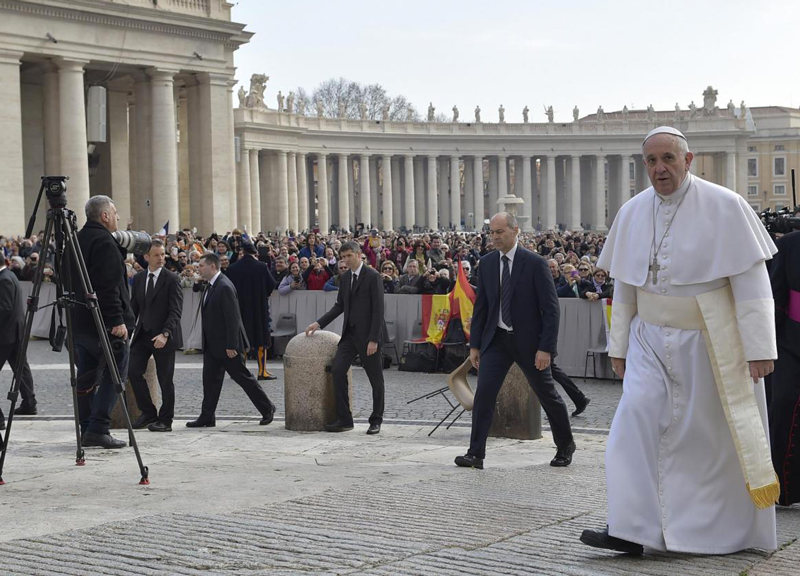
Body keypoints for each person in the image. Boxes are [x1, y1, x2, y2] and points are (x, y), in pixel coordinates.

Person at [581, 126, 779, 555]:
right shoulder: (632, 212)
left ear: (688, 160)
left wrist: (760, 348)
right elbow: (626, 285)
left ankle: (714, 531)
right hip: (648, 341)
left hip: (709, 343)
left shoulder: (727, 207)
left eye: (668, 158)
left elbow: (752, 284)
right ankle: (630, 527)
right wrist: (619, 348)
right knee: (632, 422)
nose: (659, 168)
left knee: (708, 442)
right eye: (651, 161)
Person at [454, 212, 575, 470]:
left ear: (515, 231)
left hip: (529, 343)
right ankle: (476, 453)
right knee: (484, 395)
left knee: (547, 395)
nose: (495, 237)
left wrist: (546, 348)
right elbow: (482, 307)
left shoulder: (534, 263)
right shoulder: (486, 264)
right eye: (492, 233)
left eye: (500, 232)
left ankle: (565, 445)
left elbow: (551, 309)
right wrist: (475, 345)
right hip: (496, 340)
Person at [72, 196, 135, 449]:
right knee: (114, 374)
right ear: (105, 216)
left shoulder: (74, 240)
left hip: (79, 322)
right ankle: (98, 428)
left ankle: (86, 427)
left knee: (85, 377)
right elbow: (108, 287)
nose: (118, 218)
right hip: (104, 325)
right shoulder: (103, 242)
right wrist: (117, 320)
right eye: (116, 213)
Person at [186, 253, 276, 428]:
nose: (199, 269)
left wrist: (231, 345)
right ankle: (207, 417)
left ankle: (267, 408)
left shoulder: (224, 286)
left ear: (212, 267)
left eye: (201, 266)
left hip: (226, 345)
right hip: (212, 344)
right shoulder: (211, 285)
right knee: (210, 381)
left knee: (243, 378)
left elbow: (232, 318)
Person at [305, 241, 384, 434]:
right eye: (343, 257)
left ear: (359, 255)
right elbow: (339, 306)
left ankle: (376, 420)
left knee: (375, 379)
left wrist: (373, 339)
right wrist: (318, 323)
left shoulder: (373, 276)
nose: (346, 260)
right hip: (349, 335)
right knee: (338, 371)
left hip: (368, 337)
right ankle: (345, 419)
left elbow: (378, 310)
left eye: (349, 256)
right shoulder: (345, 277)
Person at [128, 239, 183, 432]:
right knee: (132, 371)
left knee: (165, 379)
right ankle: (148, 413)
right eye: (157, 255)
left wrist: (165, 334)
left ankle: (166, 420)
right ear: (146, 257)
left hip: (164, 336)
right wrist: (124, 328)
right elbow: (134, 307)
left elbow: (175, 311)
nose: (161, 258)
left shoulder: (172, 279)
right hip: (143, 335)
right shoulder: (140, 278)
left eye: (163, 255)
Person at [768, 229, 800, 505]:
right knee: (783, 403)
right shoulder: (788, 244)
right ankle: (782, 487)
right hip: (790, 342)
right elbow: (775, 296)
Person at [226, 242, 278, 382]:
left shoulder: (232, 268)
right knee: (261, 340)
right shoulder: (261, 266)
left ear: (242, 252)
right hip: (259, 308)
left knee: (241, 339)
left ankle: (239, 371)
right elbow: (271, 285)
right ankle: (262, 371)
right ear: (254, 252)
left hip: (240, 309)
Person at [0, 256, 36, 433]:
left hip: (6, 335)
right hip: (14, 332)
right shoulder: (9, 276)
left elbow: (4, 308)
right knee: (21, 368)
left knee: (21, 368)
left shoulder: (4, 279)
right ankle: (29, 402)